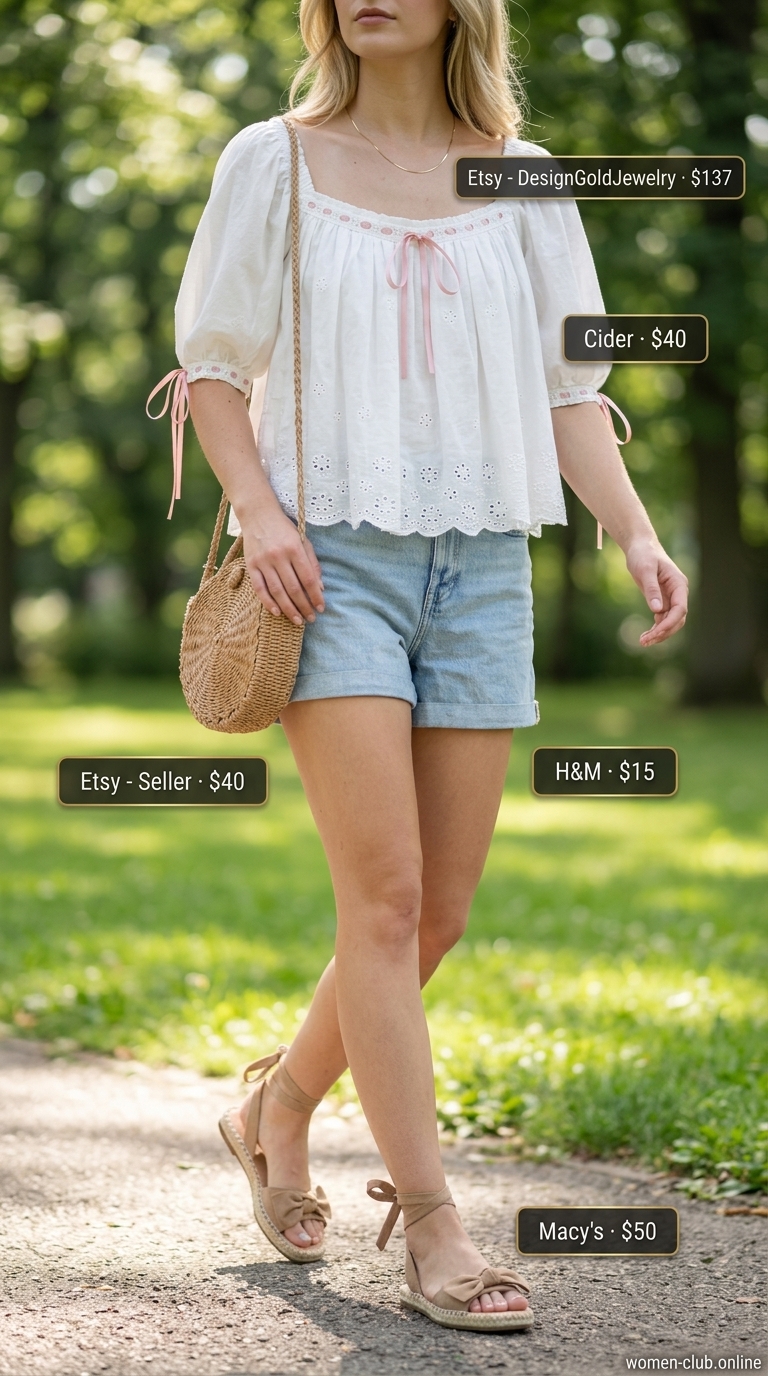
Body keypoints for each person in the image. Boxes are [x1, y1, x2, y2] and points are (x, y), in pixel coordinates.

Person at [162, 0, 688, 1332]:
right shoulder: (267, 161)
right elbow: (213, 371)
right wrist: (267, 517)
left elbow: (575, 389)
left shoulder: (526, 179)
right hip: (326, 566)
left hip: (485, 572)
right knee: (383, 900)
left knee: (437, 912)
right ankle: (436, 1224)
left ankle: (273, 1109)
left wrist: (633, 532)